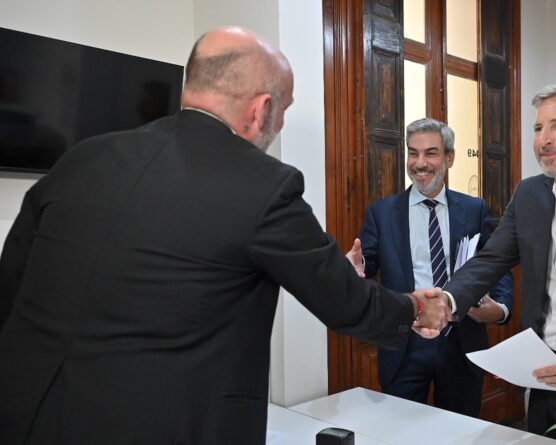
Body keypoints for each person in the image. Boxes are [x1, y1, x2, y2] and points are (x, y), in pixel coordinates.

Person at [0, 26, 451, 445]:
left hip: (26, 413)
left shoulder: (81, 158)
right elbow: (346, 304)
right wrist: (415, 307)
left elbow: (12, 281)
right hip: (162, 426)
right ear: (261, 109)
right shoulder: (264, 185)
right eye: (284, 110)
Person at [440, 83, 556, 443]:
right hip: (542, 373)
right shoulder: (529, 194)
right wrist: (446, 301)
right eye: (538, 128)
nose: (543, 139)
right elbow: (491, 259)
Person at [344, 118, 513, 417]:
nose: (420, 163)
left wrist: (500, 309)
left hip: (461, 342)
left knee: (461, 433)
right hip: (404, 344)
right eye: (413, 153)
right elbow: (365, 263)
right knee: (401, 432)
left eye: (430, 153)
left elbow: (496, 264)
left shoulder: (474, 209)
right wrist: (354, 270)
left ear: (449, 157)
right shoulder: (381, 213)